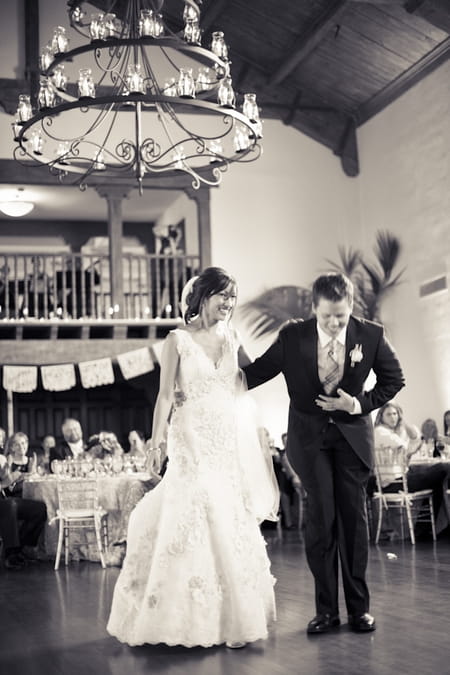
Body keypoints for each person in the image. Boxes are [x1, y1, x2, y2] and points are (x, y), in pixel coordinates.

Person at [107, 267, 279, 649]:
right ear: (204, 296)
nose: (229, 305)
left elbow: (254, 375)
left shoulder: (232, 337)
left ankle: (227, 617)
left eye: (233, 299)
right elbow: (166, 395)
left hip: (226, 439)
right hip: (191, 438)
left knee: (227, 516)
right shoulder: (178, 340)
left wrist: (289, 349)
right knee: (194, 511)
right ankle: (179, 616)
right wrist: (156, 443)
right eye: (223, 297)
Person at [243, 272, 405, 634]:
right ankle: (326, 611)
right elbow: (254, 374)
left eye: (341, 317)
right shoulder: (292, 336)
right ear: (313, 308)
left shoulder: (371, 334)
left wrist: (358, 403)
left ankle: (359, 610)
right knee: (321, 524)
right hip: (310, 442)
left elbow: (395, 379)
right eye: (327, 316)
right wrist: (219, 363)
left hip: (352, 440)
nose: (334, 324)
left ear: (350, 309)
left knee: (353, 523)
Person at [374, 402, 450, 534]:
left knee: (439, 480)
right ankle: (429, 529)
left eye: (395, 414)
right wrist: (406, 431)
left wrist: (403, 423)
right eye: (389, 414)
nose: (393, 417)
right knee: (443, 469)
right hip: (393, 483)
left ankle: (428, 529)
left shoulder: (390, 432)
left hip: (399, 479)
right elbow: (408, 447)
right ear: (381, 417)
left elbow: (415, 438)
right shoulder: (381, 432)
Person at [0, 449, 47, 568]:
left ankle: (23, 548)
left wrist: (15, 476)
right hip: (5, 503)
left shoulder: (2, 458)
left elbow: (9, 486)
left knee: (40, 508)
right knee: (9, 505)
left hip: (4, 498)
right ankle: (11, 554)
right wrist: (5, 483)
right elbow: (5, 483)